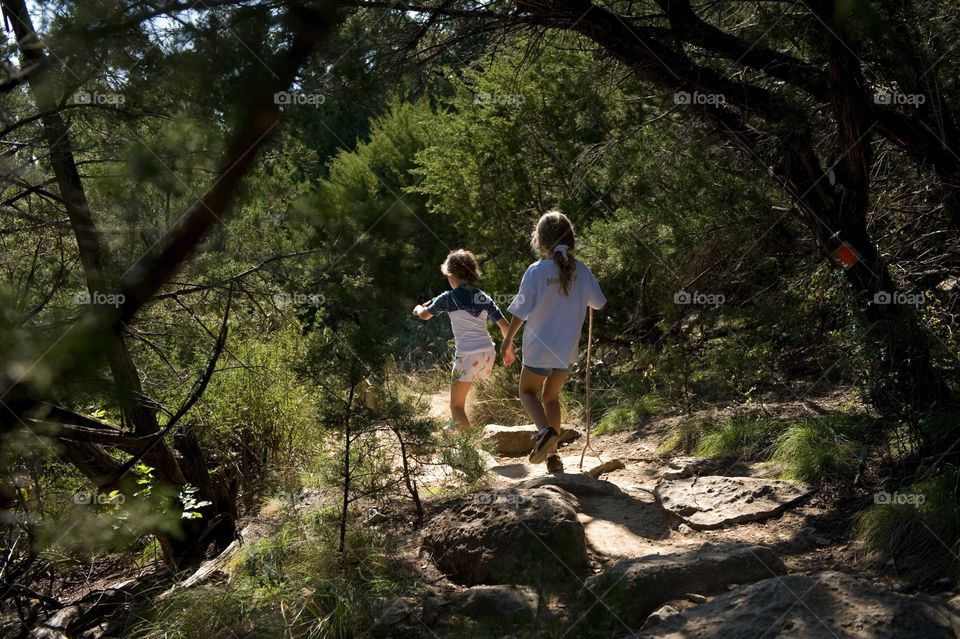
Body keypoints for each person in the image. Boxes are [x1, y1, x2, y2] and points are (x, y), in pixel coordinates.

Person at [501, 211, 606, 473]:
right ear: (571, 239)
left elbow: (521, 311)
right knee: (551, 397)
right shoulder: (581, 269)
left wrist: (508, 340)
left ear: (540, 241)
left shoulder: (536, 271)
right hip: (565, 350)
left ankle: (545, 432)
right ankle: (553, 457)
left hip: (539, 348)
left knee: (526, 392)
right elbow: (599, 303)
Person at [414, 249, 510, 429]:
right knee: (465, 399)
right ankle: (454, 428)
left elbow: (425, 316)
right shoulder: (483, 297)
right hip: (488, 354)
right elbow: (505, 326)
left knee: (456, 406)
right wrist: (508, 349)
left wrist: (418, 309)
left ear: (451, 274)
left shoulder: (448, 298)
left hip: (468, 356)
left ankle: (473, 450)